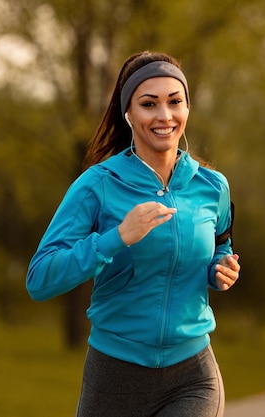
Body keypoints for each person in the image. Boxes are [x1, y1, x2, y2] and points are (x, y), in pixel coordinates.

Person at [26, 51, 240, 417]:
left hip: (193, 375)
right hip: (114, 376)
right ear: (128, 113)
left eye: (175, 102)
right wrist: (116, 237)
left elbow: (223, 244)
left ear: (188, 107)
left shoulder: (212, 187)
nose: (164, 115)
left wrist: (221, 269)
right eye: (148, 104)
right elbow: (40, 279)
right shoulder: (97, 185)